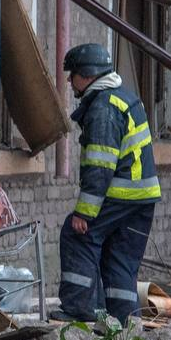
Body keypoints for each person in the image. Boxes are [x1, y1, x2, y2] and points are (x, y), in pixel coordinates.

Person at [53, 43, 161, 323]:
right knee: (120, 259)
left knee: (78, 235)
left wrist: (84, 213)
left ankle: (79, 310)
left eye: (73, 74)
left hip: (121, 193)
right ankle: (123, 323)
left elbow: (100, 166)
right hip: (143, 197)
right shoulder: (124, 97)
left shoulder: (103, 108)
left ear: (88, 75)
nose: (69, 81)